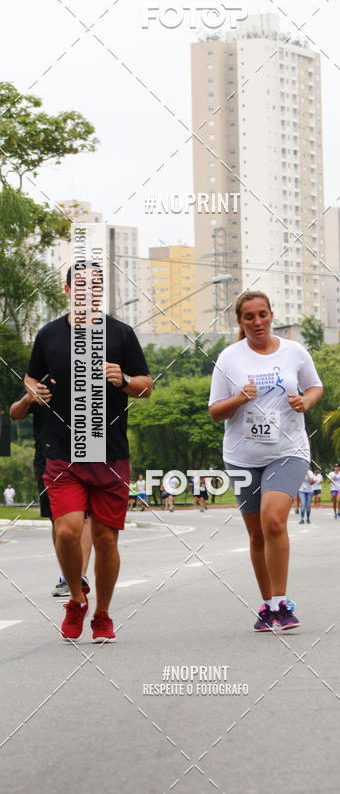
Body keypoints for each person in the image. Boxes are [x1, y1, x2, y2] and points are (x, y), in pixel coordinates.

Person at [24, 263, 153, 641]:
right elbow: (32, 376)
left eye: (94, 286)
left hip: (110, 453)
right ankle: (77, 599)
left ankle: (102, 614)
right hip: (62, 450)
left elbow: (146, 387)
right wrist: (32, 389)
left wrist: (125, 380)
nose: (87, 292)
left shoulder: (121, 334)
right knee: (67, 531)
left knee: (106, 540)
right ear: (67, 291)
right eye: (79, 285)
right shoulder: (48, 334)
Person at [208, 290, 323, 632]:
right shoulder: (229, 358)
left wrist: (305, 401)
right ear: (240, 322)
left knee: (273, 520)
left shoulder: (295, 352)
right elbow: (215, 411)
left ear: (272, 315)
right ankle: (267, 605)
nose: (257, 322)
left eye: (263, 315)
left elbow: (315, 387)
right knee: (257, 534)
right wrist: (238, 399)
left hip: (288, 450)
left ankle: (282, 603)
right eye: (249, 317)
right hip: (242, 457)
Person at [9, 385, 92, 598]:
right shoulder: (39, 380)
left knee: (85, 516)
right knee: (58, 519)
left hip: (86, 452)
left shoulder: (87, 374)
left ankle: (78, 575)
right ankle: (68, 574)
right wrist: (28, 399)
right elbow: (14, 413)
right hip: (47, 458)